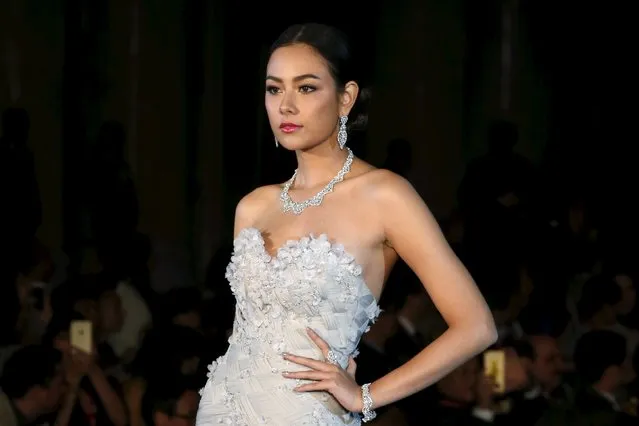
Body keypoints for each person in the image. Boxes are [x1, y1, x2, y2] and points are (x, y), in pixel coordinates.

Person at [196, 23, 497, 425]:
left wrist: (366, 396)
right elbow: (246, 334)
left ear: (346, 98)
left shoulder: (385, 195)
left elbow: (476, 326)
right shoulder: (253, 206)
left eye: (305, 88)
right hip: (221, 411)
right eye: (274, 89)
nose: (285, 105)